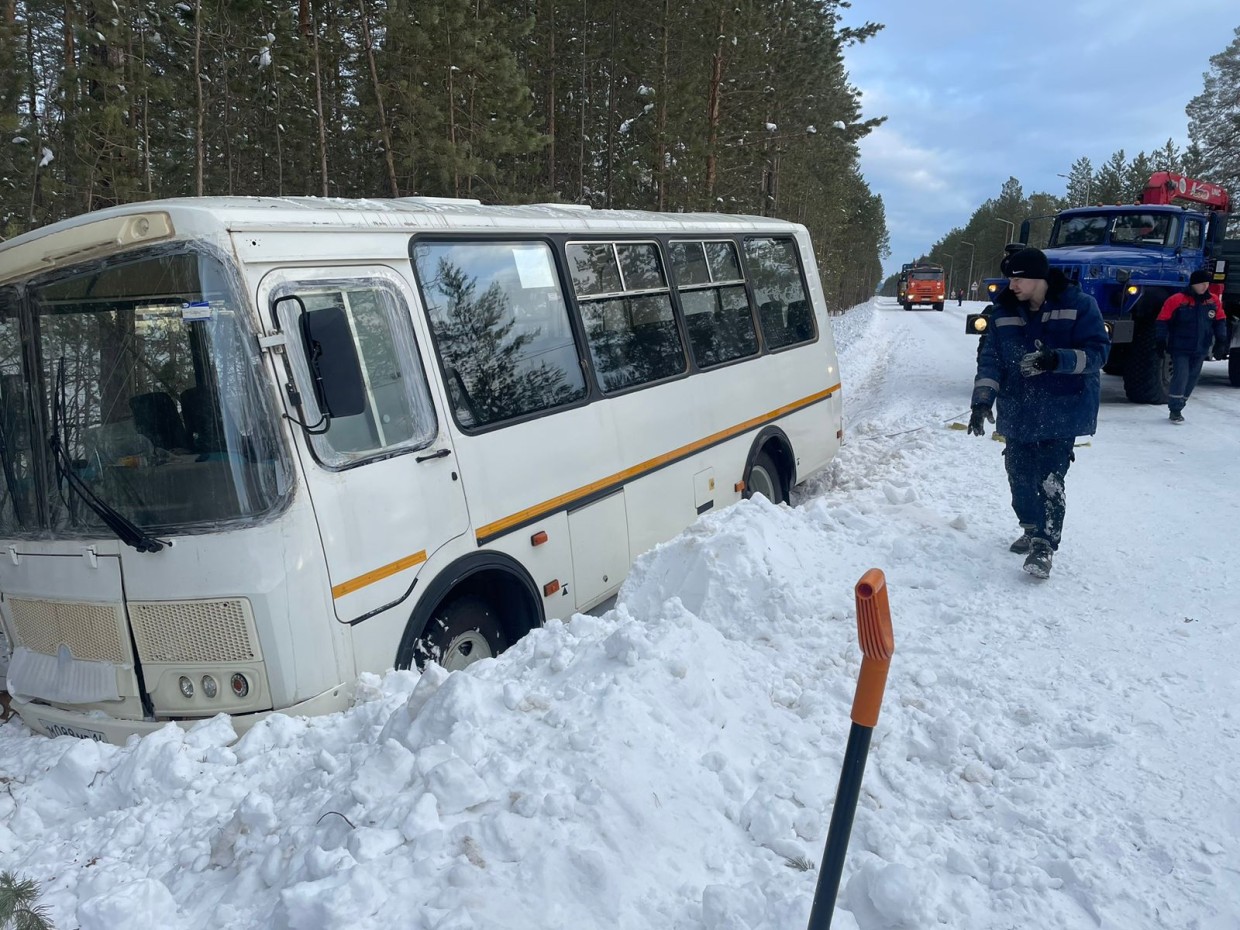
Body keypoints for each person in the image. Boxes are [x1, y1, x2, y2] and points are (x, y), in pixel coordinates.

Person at [966, 247, 1110, 579]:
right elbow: (990, 361)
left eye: (1018, 278)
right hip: (1018, 408)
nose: (1011, 285)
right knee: (1018, 474)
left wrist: (1057, 360)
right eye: (1010, 278)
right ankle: (1030, 527)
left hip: (1063, 409)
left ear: (1038, 279)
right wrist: (982, 401)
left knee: (1049, 479)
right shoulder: (1002, 311)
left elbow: (1099, 354)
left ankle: (1044, 546)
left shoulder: (1079, 305)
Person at [1155, 269, 1227, 423]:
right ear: (1194, 284)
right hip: (1180, 348)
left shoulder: (1213, 301)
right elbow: (1162, 320)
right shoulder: (1177, 300)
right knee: (1181, 376)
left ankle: (1181, 403)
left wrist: (1221, 341)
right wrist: (1160, 341)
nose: (1204, 287)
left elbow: (1220, 321)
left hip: (1201, 348)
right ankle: (1174, 409)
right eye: (1201, 284)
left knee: (1192, 379)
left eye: (1207, 284)